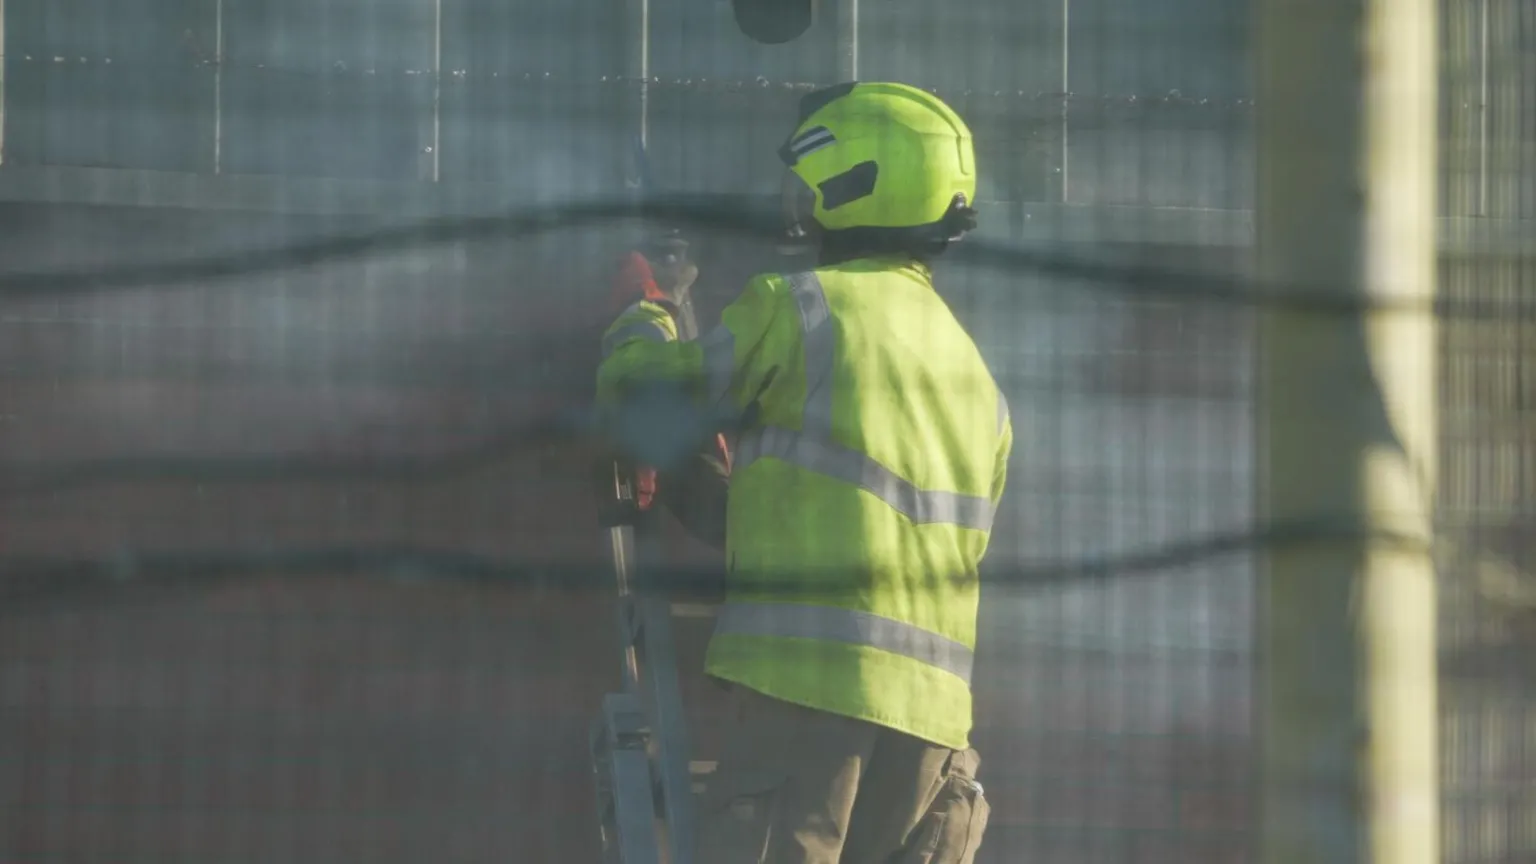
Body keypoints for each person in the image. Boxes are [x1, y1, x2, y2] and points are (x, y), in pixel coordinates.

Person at [596, 81, 1012, 864]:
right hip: (935, 738)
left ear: (851, 180)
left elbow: (644, 395)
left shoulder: (806, 308)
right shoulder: (976, 379)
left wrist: (645, 313)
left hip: (811, 702)